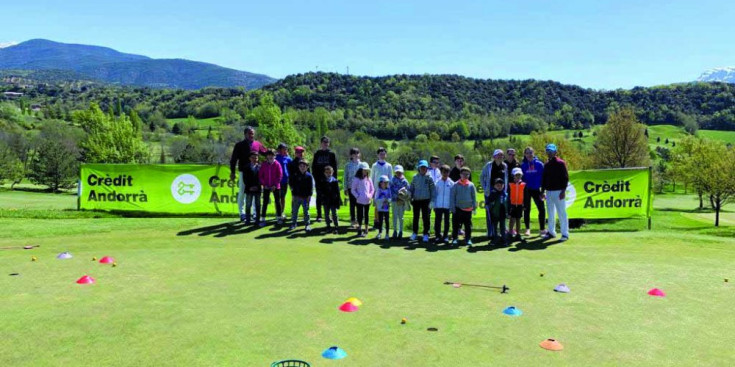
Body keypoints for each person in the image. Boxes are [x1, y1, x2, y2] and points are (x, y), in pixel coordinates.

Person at [230, 126, 268, 222]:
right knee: (242, 192)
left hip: (255, 171)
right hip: (244, 172)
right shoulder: (239, 145)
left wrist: (277, 152)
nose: (252, 135)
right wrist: (233, 172)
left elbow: (266, 153)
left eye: (253, 133)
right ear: (245, 134)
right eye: (250, 133)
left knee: (256, 192)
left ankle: (255, 213)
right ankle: (242, 213)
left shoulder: (257, 144)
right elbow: (233, 159)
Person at [542, 143, 570, 241]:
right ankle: (551, 232)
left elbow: (565, 178)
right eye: (548, 151)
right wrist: (542, 191)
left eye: (551, 151)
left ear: (555, 152)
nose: (549, 153)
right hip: (549, 192)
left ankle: (565, 234)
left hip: (559, 192)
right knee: (550, 213)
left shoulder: (561, 163)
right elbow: (544, 179)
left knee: (561, 213)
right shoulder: (546, 165)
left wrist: (563, 191)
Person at [480, 149, 508, 237]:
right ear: (494, 156)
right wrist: (485, 189)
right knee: (490, 213)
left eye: (501, 155)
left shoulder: (505, 166)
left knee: (501, 212)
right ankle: (490, 232)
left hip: (501, 192)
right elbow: (482, 177)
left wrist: (505, 190)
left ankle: (501, 232)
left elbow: (506, 179)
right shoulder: (489, 165)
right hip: (491, 191)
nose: (500, 156)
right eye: (498, 155)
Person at [521, 147, 546, 236]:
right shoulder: (523, 165)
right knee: (527, 210)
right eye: (527, 153)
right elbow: (521, 179)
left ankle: (542, 229)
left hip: (537, 190)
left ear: (533, 153)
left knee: (542, 209)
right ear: (525, 154)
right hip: (527, 190)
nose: (529, 154)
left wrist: (543, 191)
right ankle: (527, 229)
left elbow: (544, 179)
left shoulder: (540, 164)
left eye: (530, 152)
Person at [312, 136, 338, 223]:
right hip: (319, 180)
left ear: (329, 143)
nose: (325, 144)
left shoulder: (331, 154)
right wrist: (316, 179)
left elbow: (335, 168)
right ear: (321, 143)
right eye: (324, 142)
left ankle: (329, 215)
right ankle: (319, 215)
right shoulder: (317, 154)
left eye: (327, 142)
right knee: (319, 197)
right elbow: (314, 167)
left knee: (329, 198)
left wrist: (334, 180)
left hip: (329, 181)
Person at [409, 160, 436, 243]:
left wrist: (432, 201)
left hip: (426, 201)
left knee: (426, 218)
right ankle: (414, 233)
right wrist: (410, 197)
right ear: (419, 168)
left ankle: (426, 234)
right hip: (416, 200)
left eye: (425, 167)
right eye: (422, 167)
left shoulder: (429, 178)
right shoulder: (415, 177)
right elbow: (411, 188)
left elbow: (433, 190)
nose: (423, 169)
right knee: (415, 217)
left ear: (427, 168)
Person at [450, 167, 477, 247]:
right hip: (457, 208)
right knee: (455, 225)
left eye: (467, 174)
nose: (465, 176)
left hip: (468, 209)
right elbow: (452, 197)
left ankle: (468, 239)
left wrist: (474, 208)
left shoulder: (471, 185)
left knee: (468, 226)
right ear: (460, 174)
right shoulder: (455, 184)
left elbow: (474, 197)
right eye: (464, 174)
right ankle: (455, 239)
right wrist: (453, 208)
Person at [258, 149, 283, 226]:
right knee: (265, 202)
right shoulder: (264, 164)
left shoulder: (277, 164)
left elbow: (280, 176)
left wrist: (275, 185)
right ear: (267, 156)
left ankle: (279, 218)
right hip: (266, 187)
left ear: (274, 156)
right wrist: (264, 184)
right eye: (269, 155)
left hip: (275, 187)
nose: (270, 156)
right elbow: (260, 176)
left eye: (272, 155)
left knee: (277, 202)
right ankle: (263, 219)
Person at [370, 147, 393, 229]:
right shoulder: (374, 165)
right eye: (380, 154)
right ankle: (376, 222)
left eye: (383, 154)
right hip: (377, 189)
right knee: (377, 206)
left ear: (386, 155)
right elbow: (372, 178)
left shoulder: (389, 166)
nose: (382, 155)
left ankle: (383, 223)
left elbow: (390, 178)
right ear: (377, 155)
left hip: (386, 190)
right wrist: (372, 190)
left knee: (385, 206)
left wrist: (389, 190)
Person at [351, 162, 374, 237]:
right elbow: (353, 190)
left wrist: (370, 196)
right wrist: (358, 196)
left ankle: (366, 229)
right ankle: (359, 229)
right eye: (364, 170)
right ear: (360, 170)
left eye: (366, 170)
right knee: (360, 215)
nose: (365, 171)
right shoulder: (356, 179)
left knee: (366, 215)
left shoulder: (369, 179)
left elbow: (372, 189)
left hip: (367, 200)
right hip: (359, 201)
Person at [289, 160, 313, 232]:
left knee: (306, 212)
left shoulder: (309, 176)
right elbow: (292, 186)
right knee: (294, 211)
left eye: (304, 166)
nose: (302, 167)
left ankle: (307, 224)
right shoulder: (295, 175)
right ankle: (293, 223)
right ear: (298, 167)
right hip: (296, 197)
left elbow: (311, 187)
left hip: (305, 197)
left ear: (307, 167)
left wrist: (309, 195)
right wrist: (293, 195)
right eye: (301, 166)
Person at [432, 165, 454, 243]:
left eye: (447, 172)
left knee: (447, 222)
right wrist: (434, 205)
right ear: (441, 172)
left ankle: (445, 236)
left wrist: (452, 206)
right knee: (437, 221)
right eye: (444, 172)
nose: (445, 174)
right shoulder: (437, 182)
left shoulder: (451, 183)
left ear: (449, 173)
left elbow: (452, 196)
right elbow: (434, 194)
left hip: (447, 206)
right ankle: (437, 236)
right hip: (438, 205)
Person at [390, 165, 410, 239]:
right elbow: (390, 190)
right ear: (395, 172)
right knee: (394, 216)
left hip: (402, 201)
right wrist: (396, 196)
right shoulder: (392, 179)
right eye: (397, 172)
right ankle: (395, 231)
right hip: (394, 201)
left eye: (400, 172)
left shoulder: (405, 181)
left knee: (401, 217)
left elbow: (408, 190)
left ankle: (400, 231)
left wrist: (402, 196)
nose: (399, 173)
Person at [343, 148, 362, 229]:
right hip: (351, 188)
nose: (355, 155)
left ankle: (359, 221)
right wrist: (345, 188)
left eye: (357, 153)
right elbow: (345, 177)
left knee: (359, 205)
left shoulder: (362, 165)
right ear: (351, 155)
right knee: (352, 205)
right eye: (354, 153)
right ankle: (353, 221)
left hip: (360, 188)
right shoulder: (347, 165)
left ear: (359, 154)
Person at [487, 178, 509, 244]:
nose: (499, 187)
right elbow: (488, 202)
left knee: (502, 227)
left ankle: (503, 239)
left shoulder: (505, 194)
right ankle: (495, 238)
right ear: (494, 186)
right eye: (497, 185)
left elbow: (508, 204)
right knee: (495, 227)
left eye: (501, 185)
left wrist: (508, 213)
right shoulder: (492, 194)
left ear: (503, 185)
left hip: (503, 214)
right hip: (495, 213)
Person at [242, 151, 261, 225]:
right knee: (248, 205)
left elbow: (261, 178)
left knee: (258, 205)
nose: (254, 159)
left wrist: (257, 186)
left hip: (258, 189)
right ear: (250, 158)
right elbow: (245, 179)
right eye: (253, 158)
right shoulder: (246, 167)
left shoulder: (260, 167)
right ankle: (248, 220)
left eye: (256, 157)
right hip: (249, 189)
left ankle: (257, 219)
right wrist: (250, 187)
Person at [275, 143, 293, 222]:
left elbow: (293, 165)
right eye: (284, 148)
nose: (285, 150)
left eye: (286, 148)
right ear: (279, 149)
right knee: (277, 198)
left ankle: (282, 212)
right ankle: (278, 213)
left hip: (285, 181)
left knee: (283, 197)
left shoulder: (288, 158)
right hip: (277, 181)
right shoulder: (275, 157)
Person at [322, 166, 342, 234]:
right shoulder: (323, 181)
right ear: (324, 173)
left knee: (334, 214)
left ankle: (336, 226)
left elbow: (338, 192)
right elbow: (321, 192)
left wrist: (338, 201)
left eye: (330, 172)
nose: (328, 174)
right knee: (326, 214)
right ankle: (328, 226)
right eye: (327, 172)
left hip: (333, 201)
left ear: (332, 172)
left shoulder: (335, 181)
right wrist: (322, 200)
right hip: (326, 201)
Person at [508, 168, 526, 241]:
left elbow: (526, 196)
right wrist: (508, 205)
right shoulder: (510, 184)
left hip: (519, 205)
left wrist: (524, 205)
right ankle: (510, 233)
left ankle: (518, 234)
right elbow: (508, 195)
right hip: (512, 204)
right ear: (513, 176)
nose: (518, 176)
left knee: (518, 219)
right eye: (516, 175)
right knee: (512, 219)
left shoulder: (524, 184)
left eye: (519, 175)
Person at [374, 175, 392, 240]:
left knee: (387, 221)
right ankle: (379, 233)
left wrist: (388, 200)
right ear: (380, 183)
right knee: (380, 220)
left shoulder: (388, 190)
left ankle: (387, 234)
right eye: (383, 182)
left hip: (386, 208)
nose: (384, 184)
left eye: (386, 182)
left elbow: (390, 198)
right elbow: (376, 199)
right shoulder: (378, 190)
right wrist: (382, 200)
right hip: (380, 208)